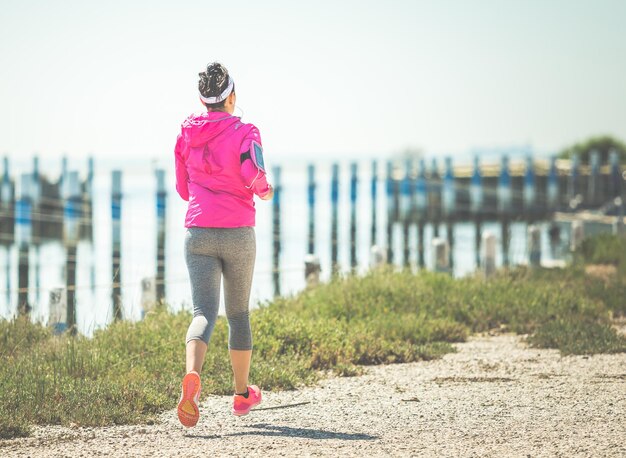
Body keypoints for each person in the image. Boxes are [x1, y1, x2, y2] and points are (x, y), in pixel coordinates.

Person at [173, 62, 273, 428]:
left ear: (203, 99)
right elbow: (253, 174)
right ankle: (243, 394)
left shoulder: (186, 132)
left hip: (197, 231)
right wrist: (265, 191)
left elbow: (183, 188)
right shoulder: (247, 130)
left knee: (202, 312)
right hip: (237, 232)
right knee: (238, 314)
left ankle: (192, 378)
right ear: (232, 96)